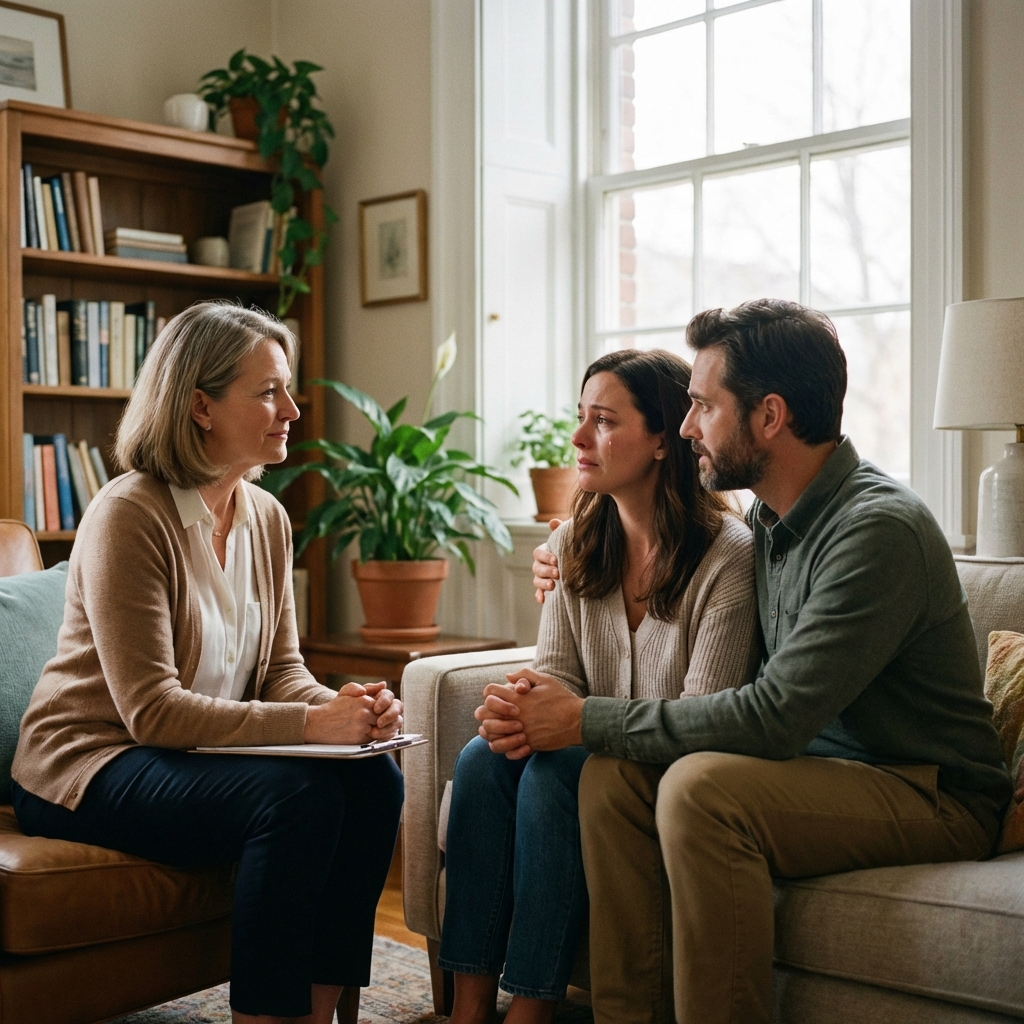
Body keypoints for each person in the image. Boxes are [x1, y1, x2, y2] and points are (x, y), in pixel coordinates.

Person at [482, 299, 1012, 1024]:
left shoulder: (876, 530)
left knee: (701, 790)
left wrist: (584, 718)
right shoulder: (766, 521)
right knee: (613, 778)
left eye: (702, 406)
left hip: (926, 788)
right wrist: (559, 554)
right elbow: (655, 548)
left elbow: (774, 717)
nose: (688, 426)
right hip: (828, 773)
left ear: (769, 416)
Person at [11, 301, 405, 1024]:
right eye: (267, 391)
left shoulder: (267, 518)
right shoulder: (130, 513)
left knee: (376, 777)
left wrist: (346, 708)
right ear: (199, 406)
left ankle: (318, 1012)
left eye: (287, 388)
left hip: (189, 758)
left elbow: (281, 670)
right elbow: (151, 710)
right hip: (93, 762)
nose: (292, 407)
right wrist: (315, 727)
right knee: (297, 796)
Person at [439, 349, 761, 1024]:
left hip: (665, 774)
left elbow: (702, 717)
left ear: (660, 438)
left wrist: (570, 718)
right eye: (581, 418)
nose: (580, 439)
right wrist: (520, 703)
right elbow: (558, 672)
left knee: (559, 770)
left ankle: (530, 1005)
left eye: (605, 421)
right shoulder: (574, 540)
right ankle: (467, 1008)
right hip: (589, 746)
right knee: (481, 758)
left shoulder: (728, 555)